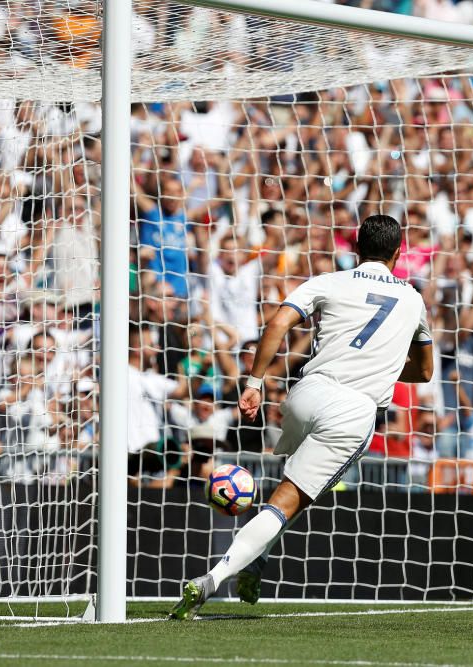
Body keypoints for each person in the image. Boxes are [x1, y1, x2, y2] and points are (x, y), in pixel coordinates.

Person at [170, 214, 433, 620]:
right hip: (354, 409)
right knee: (289, 500)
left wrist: (255, 382)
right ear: (399, 254)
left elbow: (277, 321)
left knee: (291, 493)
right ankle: (214, 577)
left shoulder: (329, 280)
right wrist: (380, 362)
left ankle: (256, 559)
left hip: (305, 394)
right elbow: (425, 371)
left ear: (356, 248)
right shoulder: (413, 298)